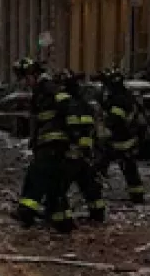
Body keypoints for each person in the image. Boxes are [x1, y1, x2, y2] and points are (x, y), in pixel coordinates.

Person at [12, 57, 74, 233]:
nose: (25, 83)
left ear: (32, 74)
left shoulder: (47, 87)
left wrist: (64, 129)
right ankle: (61, 221)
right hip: (48, 143)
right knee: (54, 183)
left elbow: (65, 105)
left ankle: (26, 213)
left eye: (25, 78)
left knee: (36, 177)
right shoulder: (40, 90)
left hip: (52, 144)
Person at [56, 69, 105, 222]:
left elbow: (68, 127)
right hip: (85, 153)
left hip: (71, 153)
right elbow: (92, 130)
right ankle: (97, 213)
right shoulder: (84, 104)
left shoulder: (65, 104)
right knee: (90, 185)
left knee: (58, 186)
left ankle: (62, 219)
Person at [98, 67, 144, 204]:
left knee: (103, 166)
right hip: (125, 138)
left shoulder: (119, 99)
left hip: (121, 139)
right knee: (129, 169)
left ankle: (95, 194)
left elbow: (115, 118)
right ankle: (137, 195)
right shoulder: (125, 95)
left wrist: (106, 126)